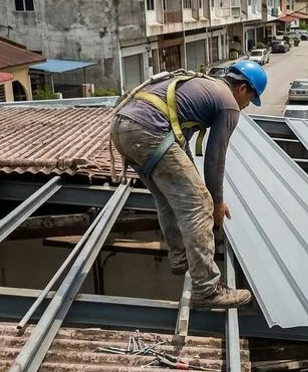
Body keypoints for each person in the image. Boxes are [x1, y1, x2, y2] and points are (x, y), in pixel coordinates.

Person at [110, 60, 267, 308]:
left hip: (123, 127)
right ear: (243, 88)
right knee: (199, 205)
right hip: (148, 129)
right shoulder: (228, 104)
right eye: (251, 99)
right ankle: (208, 289)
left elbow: (181, 149)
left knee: (168, 198)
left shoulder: (203, 88)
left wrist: (199, 187)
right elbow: (216, 158)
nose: (247, 106)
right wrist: (215, 202)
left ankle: (180, 258)